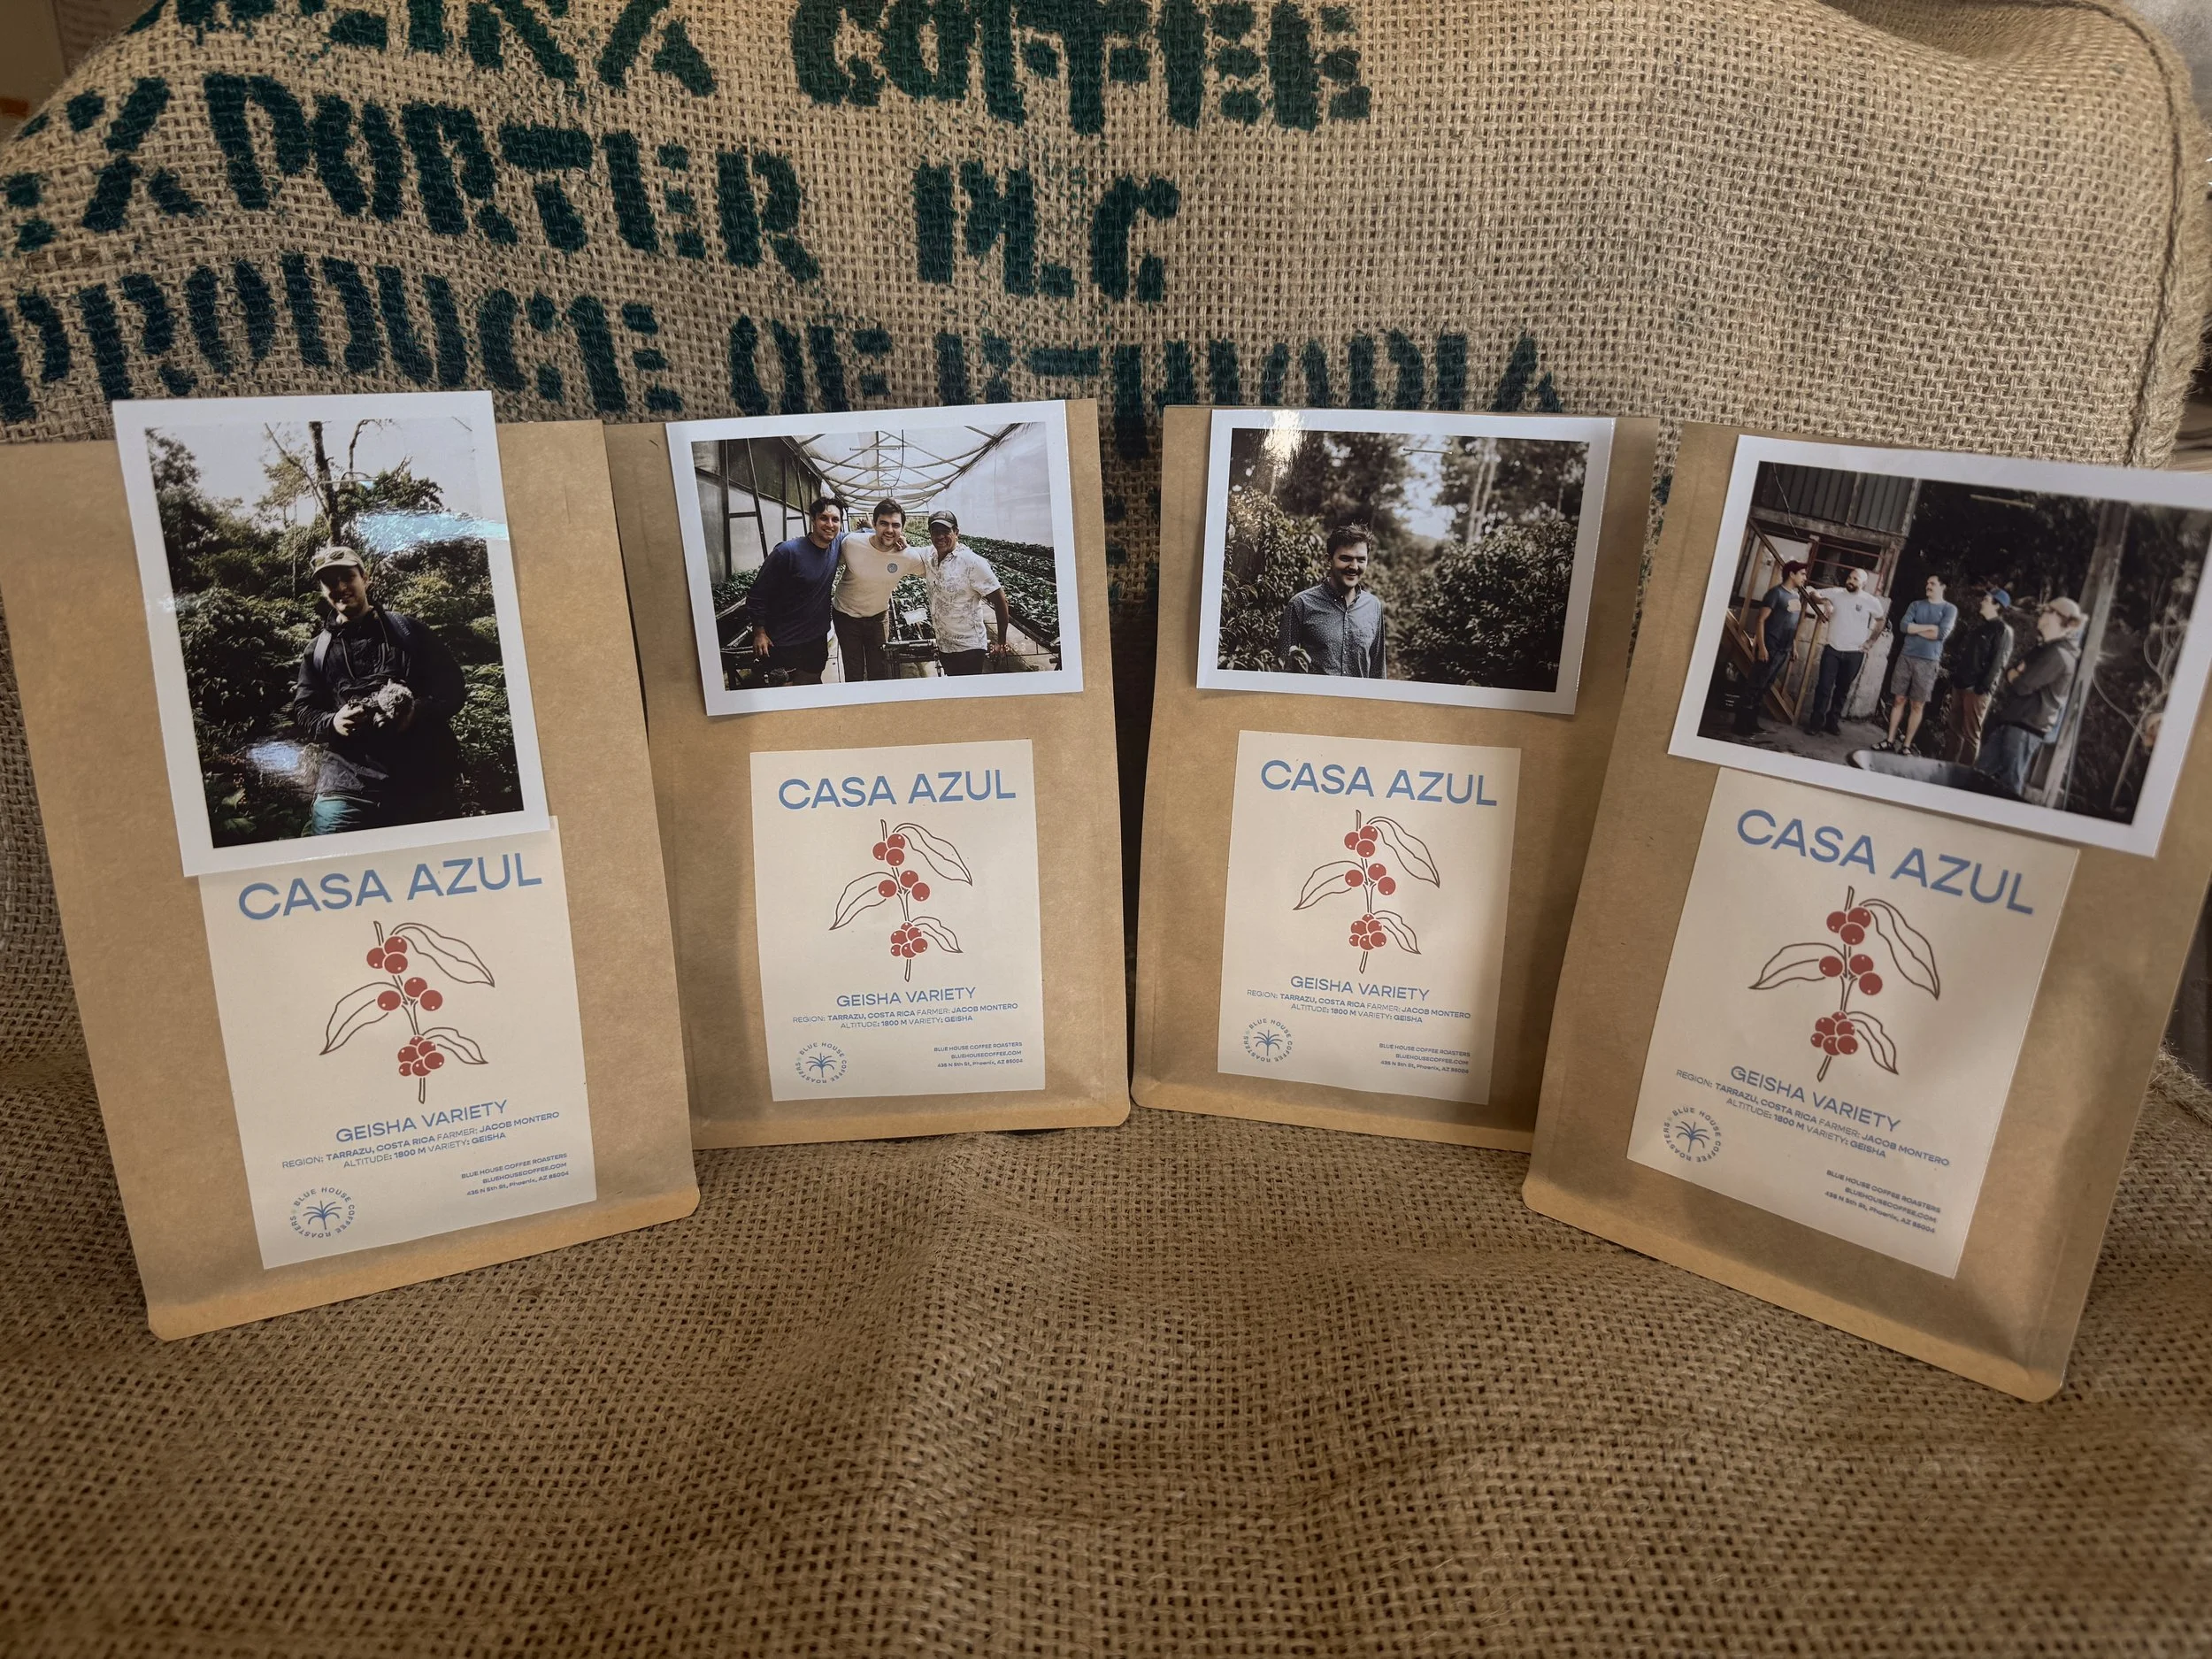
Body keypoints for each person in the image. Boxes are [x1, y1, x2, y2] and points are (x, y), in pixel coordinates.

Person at [292, 544, 467, 834]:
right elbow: (303, 709)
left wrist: (416, 712)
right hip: (346, 785)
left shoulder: (409, 632)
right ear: (323, 590)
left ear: (365, 578)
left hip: (421, 782)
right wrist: (333, 722)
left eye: (347, 577)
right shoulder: (318, 651)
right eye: (330, 582)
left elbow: (453, 689)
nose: (340, 587)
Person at [1974, 596, 2086, 797]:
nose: (2041, 614)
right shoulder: (2046, 649)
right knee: (1979, 775)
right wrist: (2017, 673)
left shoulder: (2059, 654)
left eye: (2046, 611)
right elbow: (2011, 672)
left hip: (2025, 728)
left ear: (2059, 618)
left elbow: (2021, 685)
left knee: (2009, 785)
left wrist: (2018, 674)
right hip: (2015, 722)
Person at [745, 498, 845, 687]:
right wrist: (759, 632)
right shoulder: (787, 552)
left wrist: (898, 539)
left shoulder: (836, 544)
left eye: (835, 519)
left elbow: (867, 537)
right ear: (813, 520)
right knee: (785, 689)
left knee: (812, 682)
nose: (830, 524)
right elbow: (757, 594)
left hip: (816, 637)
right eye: (824, 518)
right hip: (784, 639)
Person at [832, 498, 927, 682]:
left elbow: (933, 566)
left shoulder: (907, 556)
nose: (890, 530)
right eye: (884, 523)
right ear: (874, 524)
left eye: (895, 525)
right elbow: (826, 559)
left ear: (902, 529)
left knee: (879, 670)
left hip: (878, 617)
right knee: (853, 670)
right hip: (846, 615)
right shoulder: (851, 544)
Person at [1279, 525, 1387, 678]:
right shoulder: (1300, 604)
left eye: (1361, 560)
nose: (1354, 567)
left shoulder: (1373, 606)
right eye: (1345, 558)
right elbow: (1283, 668)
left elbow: (1378, 671)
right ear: (1328, 560)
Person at [921, 511, 1013, 675]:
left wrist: (1001, 642)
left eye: (945, 531)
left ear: (956, 532)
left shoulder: (972, 562)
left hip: (969, 648)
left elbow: (1000, 601)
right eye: (935, 532)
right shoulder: (931, 558)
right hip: (944, 645)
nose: (940, 536)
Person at [1801, 566, 1886, 735]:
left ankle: (1832, 723)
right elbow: (1811, 591)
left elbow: (1881, 620)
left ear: (1863, 583)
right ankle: (1815, 723)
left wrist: (1871, 641)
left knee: (1842, 690)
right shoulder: (1836, 593)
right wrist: (1825, 601)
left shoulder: (1870, 601)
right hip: (1832, 649)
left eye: (1855, 579)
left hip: (1855, 653)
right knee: (1824, 687)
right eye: (1849, 577)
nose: (1851, 581)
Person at [1878, 574, 1959, 755]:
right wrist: (1930, 627)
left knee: (1917, 705)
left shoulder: (1949, 609)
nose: (1928, 585)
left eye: (1932, 583)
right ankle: (1889, 740)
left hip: (1928, 662)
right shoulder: (1916, 605)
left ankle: (1906, 746)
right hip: (1906, 656)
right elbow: (1904, 626)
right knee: (1899, 699)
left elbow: (1941, 634)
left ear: (1942, 587)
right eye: (1927, 582)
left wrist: (1915, 629)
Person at [1734, 559, 1809, 734]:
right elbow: (1760, 620)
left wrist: (1793, 647)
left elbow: (1791, 624)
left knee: (1764, 687)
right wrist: (1762, 647)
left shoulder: (1796, 596)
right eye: (1802, 574)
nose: (1805, 578)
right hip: (1770, 647)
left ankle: (1752, 723)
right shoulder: (1775, 594)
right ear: (1792, 574)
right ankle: (1739, 725)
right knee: (1754, 686)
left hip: (1783, 649)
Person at [1941, 587, 2014, 765]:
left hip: (1976, 690)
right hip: (1961, 684)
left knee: (1971, 735)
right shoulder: (1982, 627)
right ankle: (1946, 766)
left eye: (1986, 600)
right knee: (1954, 730)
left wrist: (1981, 688)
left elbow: (1998, 663)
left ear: (1997, 605)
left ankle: (1964, 773)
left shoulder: (2003, 630)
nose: (1982, 602)